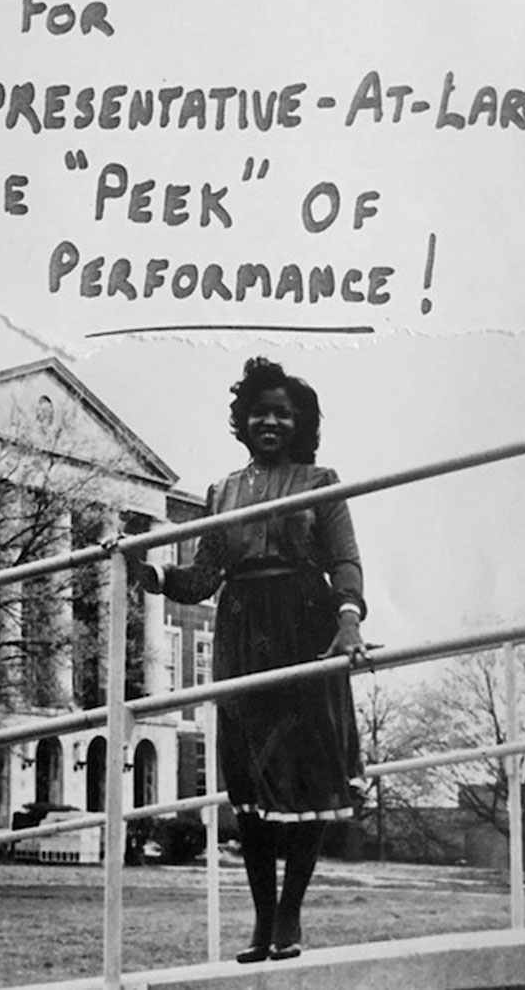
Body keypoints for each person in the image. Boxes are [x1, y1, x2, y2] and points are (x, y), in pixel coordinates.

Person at [139, 356, 370, 962]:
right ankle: (261, 923)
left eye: (283, 414)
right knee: (250, 779)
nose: (270, 422)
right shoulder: (222, 492)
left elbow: (345, 562)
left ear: (300, 424)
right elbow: (204, 576)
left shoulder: (323, 483)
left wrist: (348, 620)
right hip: (241, 629)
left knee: (304, 771)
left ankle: (290, 916)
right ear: (242, 422)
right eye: (258, 413)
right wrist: (157, 573)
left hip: (302, 621)